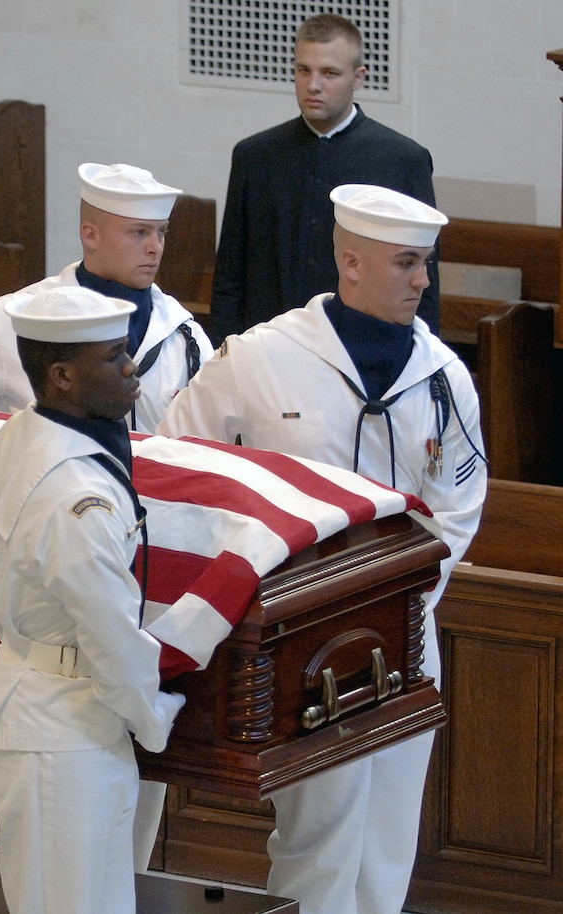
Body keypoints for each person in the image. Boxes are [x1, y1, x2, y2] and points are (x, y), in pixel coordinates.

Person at [158, 185, 487, 914]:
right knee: (321, 831)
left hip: (407, 627)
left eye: (426, 263)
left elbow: (462, 499)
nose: (422, 282)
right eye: (405, 263)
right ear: (351, 261)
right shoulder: (264, 357)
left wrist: (409, 595)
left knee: (392, 824)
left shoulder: (442, 376)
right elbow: (181, 458)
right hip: (304, 631)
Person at [0, 285, 186, 914]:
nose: (133, 367)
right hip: (64, 735)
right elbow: (109, 632)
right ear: (62, 377)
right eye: (114, 358)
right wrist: (151, 714)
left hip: (51, 708)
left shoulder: (26, 434)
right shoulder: (75, 494)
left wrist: (30, 629)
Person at [0, 163, 211, 435]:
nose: (155, 246)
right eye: (139, 232)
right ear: (91, 235)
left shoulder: (183, 334)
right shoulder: (17, 319)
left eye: (161, 232)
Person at [210, 13, 441, 340]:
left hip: (363, 346)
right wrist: (221, 354)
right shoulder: (255, 155)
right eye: (303, 70)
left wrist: (423, 363)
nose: (313, 85)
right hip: (267, 346)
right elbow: (230, 275)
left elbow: (423, 280)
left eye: (329, 73)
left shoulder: (403, 160)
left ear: (358, 77)